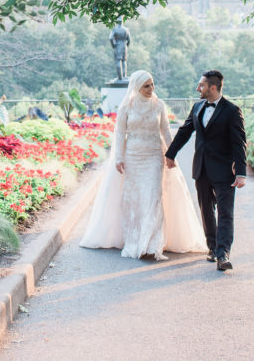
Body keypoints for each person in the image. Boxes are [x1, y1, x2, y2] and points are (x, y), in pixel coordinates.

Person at [80, 70, 207, 259]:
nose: (151, 89)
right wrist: (119, 158)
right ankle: (136, 239)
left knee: (153, 196)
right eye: (146, 86)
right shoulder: (127, 107)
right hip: (133, 157)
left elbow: (165, 131)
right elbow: (120, 133)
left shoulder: (159, 105)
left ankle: (152, 243)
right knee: (137, 199)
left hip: (155, 156)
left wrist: (171, 154)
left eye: (152, 84)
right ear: (137, 87)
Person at [166, 70, 247, 271]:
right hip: (201, 169)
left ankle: (223, 254)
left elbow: (239, 143)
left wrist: (241, 172)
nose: (197, 88)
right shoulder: (197, 106)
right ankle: (212, 247)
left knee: (226, 213)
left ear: (213, 87)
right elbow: (185, 131)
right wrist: (170, 154)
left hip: (224, 171)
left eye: (201, 85)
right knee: (206, 210)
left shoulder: (231, 110)